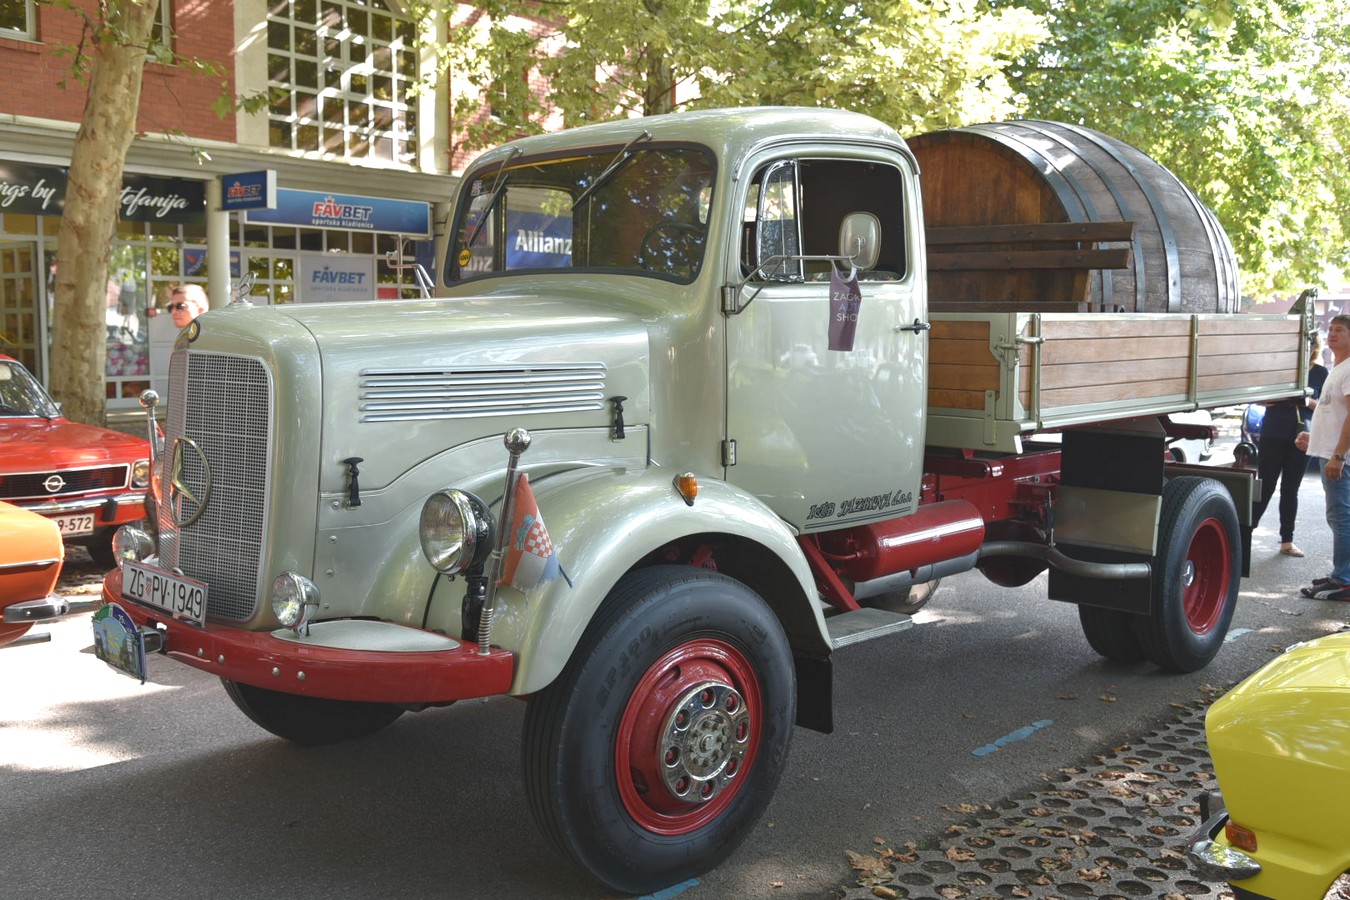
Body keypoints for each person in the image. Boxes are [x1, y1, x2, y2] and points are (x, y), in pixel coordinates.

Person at [1252, 330, 1328, 557]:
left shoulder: (1321, 372)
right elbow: (1258, 398)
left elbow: (1326, 407)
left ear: (1315, 346)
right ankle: (1245, 534)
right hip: (1273, 433)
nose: (1307, 346)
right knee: (1265, 486)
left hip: (1302, 437)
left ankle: (1287, 540)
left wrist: (1306, 400)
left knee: (1290, 489)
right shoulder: (1279, 368)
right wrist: (1281, 398)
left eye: (1311, 343)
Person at [1296, 314, 1350, 600]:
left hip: (1340, 458)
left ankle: (1343, 581)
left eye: (1339, 330)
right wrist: (1312, 438)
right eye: (1330, 329)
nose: (1331, 334)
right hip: (1329, 452)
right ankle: (1341, 574)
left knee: (1341, 518)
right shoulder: (1337, 368)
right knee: (1340, 517)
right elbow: (1331, 413)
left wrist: (1339, 456)